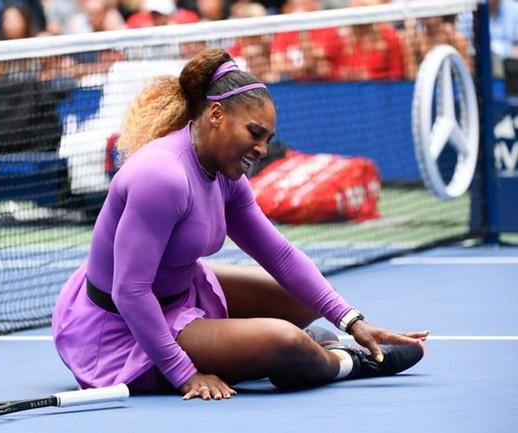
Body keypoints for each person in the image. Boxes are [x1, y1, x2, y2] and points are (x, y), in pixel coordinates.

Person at [52, 48, 428, 399]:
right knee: (286, 341)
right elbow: (131, 291)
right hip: (123, 328)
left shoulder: (226, 175)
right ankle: (342, 362)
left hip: (182, 293)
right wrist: (185, 373)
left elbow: (279, 254)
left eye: (268, 138)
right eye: (254, 133)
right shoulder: (162, 177)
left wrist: (353, 322)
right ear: (216, 115)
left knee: (300, 300)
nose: (263, 149)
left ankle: (316, 342)